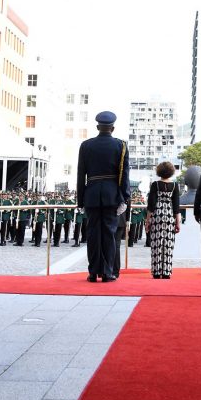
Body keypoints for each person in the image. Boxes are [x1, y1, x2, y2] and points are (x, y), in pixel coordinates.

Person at [76, 111, 130, 283]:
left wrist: (80, 199)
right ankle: (107, 272)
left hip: (91, 195)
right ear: (112, 128)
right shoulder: (121, 145)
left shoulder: (86, 145)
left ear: (97, 127)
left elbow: (81, 174)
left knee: (92, 234)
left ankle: (93, 272)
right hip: (111, 195)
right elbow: (124, 175)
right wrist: (124, 197)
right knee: (109, 234)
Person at [146, 161, 181, 279]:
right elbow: (176, 207)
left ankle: (156, 272)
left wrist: (147, 221)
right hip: (170, 216)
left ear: (159, 171)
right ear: (171, 172)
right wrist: (178, 223)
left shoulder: (155, 185)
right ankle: (166, 272)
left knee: (156, 244)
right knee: (168, 244)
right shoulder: (175, 186)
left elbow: (151, 205)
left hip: (157, 215)